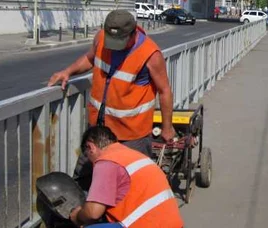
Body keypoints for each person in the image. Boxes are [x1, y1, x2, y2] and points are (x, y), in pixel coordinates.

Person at [48, 10, 176, 187]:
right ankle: (86, 212)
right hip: (99, 128)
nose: (114, 46)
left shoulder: (150, 54)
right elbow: (89, 58)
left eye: (120, 42)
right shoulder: (101, 38)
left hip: (132, 134)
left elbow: (165, 91)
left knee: (130, 183)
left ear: (133, 34)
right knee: (85, 177)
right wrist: (67, 71)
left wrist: (167, 127)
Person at [70, 126, 183, 227]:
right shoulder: (135, 155)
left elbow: (93, 212)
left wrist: (77, 216)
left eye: (88, 156)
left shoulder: (106, 161)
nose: (92, 163)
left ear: (91, 147)